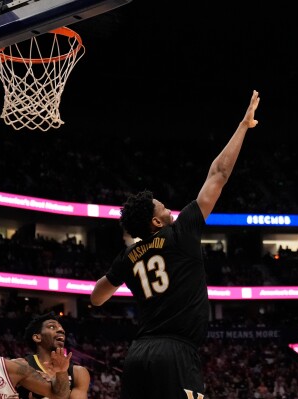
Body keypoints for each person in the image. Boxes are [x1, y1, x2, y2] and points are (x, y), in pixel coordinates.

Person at [90, 89, 261, 399]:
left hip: (138, 355)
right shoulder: (181, 233)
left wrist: (119, 275)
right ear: (157, 222)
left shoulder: (128, 256)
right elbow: (219, 173)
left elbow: (97, 297)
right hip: (176, 354)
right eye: (163, 208)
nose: (169, 209)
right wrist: (243, 125)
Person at [17, 312, 90, 399]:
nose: (61, 330)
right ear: (37, 337)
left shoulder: (78, 373)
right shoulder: (21, 366)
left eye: (62, 328)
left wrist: (61, 376)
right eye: (52, 327)